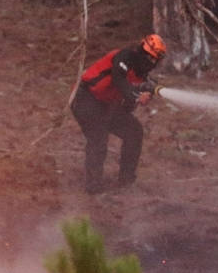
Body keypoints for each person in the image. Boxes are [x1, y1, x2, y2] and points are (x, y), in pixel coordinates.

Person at [71, 34, 166, 193]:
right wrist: (136, 95)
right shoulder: (124, 56)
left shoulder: (140, 75)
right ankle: (93, 188)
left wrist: (138, 98)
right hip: (85, 98)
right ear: (142, 51)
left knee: (134, 131)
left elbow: (127, 106)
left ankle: (126, 180)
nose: (151, 63)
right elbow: (118, 80)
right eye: (150, 58)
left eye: (155, 60)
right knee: (98, 138)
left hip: (106, 105)